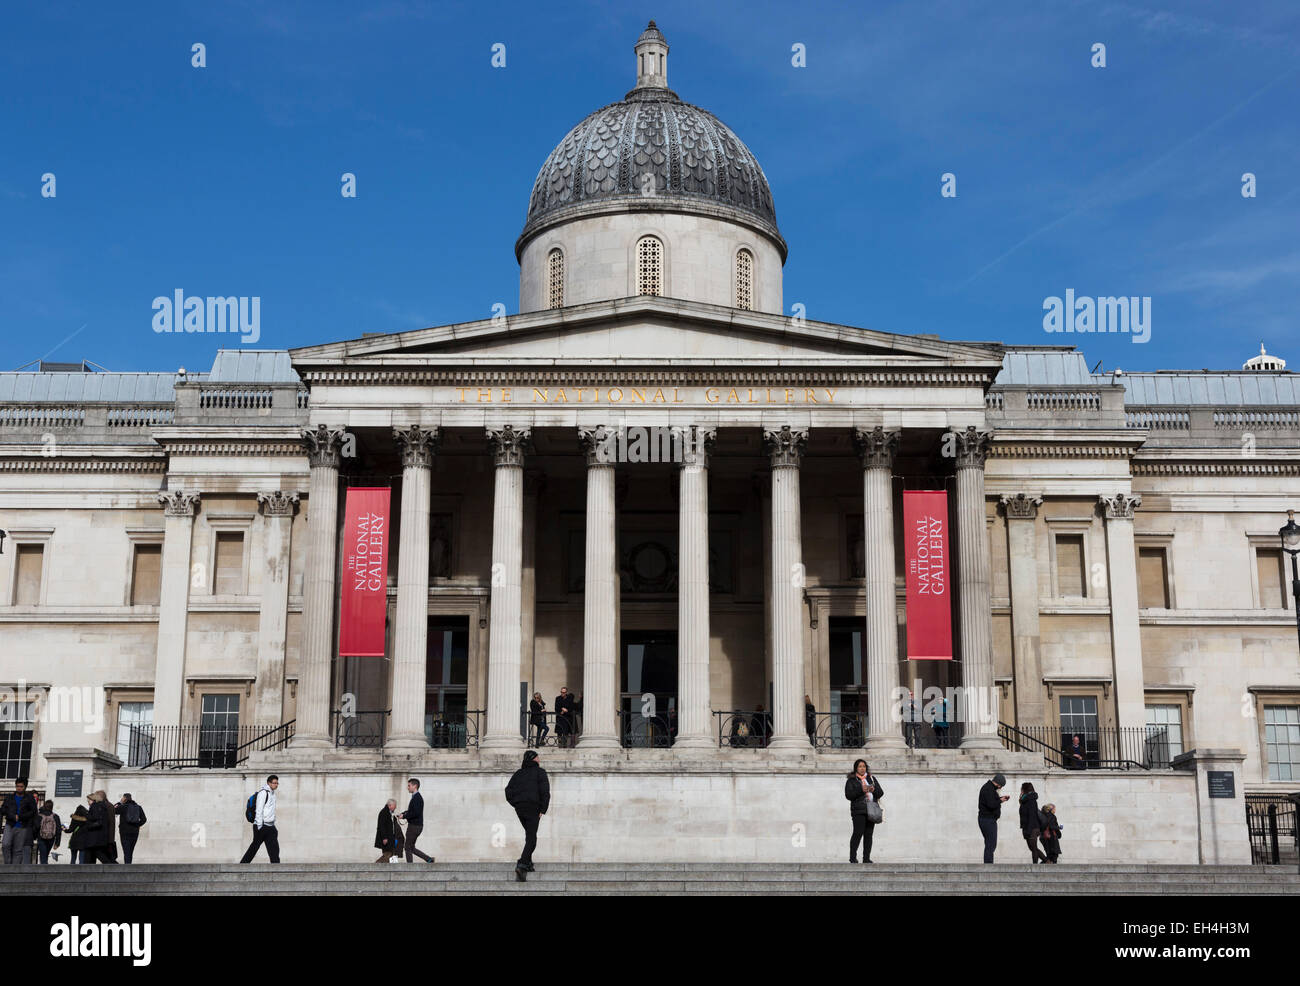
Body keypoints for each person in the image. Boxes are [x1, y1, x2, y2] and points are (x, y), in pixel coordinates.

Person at [504, 749, 550, 882]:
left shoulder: (518, 774)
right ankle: (522, 863)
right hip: (533, 808)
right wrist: (543, 809)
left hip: (520, 809)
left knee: (529, 835)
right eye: (537, 757)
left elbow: (508, 791)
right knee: (532, 838)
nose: (539, 759)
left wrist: (516, 804)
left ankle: (528, 864)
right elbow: (545, 792)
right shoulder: (540, 773)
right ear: (534, 759)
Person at [844, 758, 884, 864]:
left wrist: (873, 790)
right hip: (859, 811)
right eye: (860, 766)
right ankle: (853, 857)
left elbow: (880, 793)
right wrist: (861, 790)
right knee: (858, 833)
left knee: (868, 834)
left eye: (864, 766)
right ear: (856, 768)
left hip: (871, 810)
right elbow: (849, 795)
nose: (862, 768)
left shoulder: (871, 778)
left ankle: (866, 858)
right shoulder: (851, 780)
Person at [239, 774, 280, 863]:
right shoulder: (263, 793)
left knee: (274, 849)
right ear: (269, 783)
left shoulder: (273, 794)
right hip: (261, 826)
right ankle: (243, 864)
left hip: (270, 826)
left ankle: (276, 867)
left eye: (277, 783)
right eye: (274, 783)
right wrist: (259, 826)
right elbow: (259, 810)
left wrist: (273, 823)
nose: (276, 785)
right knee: (254, 847)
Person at [1, 777, 38, 864]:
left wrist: (21, 816)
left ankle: (14, 869)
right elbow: (3, 809)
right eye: (17, 786)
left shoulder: (30, 798)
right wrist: (13, 816)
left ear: (25, 787)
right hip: (10, 824)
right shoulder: (9, 797)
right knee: (5, 844)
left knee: (18, 849)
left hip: (22, 826)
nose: (19, 788)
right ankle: (7, 865)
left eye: (21, 786)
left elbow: (33, 812)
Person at [398, 778, 435, 863]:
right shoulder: (415, 797)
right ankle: (429, 859)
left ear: (415, 786)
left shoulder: (417, 798)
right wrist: (403, 814)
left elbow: (415, 813)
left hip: (414, 827)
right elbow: (412, 811)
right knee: (411, 847)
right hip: (415, 826)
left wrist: (404, 816)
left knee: (407, 847)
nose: (408, 787)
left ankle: (410, 868)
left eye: (409, 785)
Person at [977, 772, 1009, 864]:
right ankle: (988, 865)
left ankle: (988, 863)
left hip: (987, 819)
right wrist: (1000, 800)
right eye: (1001, 786)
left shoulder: (989, 788)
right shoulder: (988, 789)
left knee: (990, 843)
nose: (1000, 788)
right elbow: (991, 804)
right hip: (987, 820)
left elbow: (991, 802)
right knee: (991, 844)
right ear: (998, 783)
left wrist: (1000, 799)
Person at [82, 791, 118, 864]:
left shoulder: (98, 806)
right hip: (103, 836)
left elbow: (98, 820)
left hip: (97, 836)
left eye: (89, 800)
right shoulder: (107, 805)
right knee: (95, 854)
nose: (88, 802)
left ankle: (113, 866)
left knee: (99, 854)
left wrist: (87, 822)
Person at [1018, 782, 1048, 863]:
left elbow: (1032, 816)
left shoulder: (1031, 800)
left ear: (1025, 789)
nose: (1020, 790)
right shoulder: (1025, 800)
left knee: (1034, 848)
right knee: (1032, 848)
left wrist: (1029, 830)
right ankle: (1047, 861)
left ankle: (1035, 867)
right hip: (1028, 827)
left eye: (1022, 788)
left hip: (1032, 828)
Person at [114, 793, 147, 864]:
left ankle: (127, 868)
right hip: (135, 832)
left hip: (124, 832)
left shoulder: (123, 807)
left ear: (124, 798)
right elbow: (144, 819)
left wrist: (119, 803)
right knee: (130, 851)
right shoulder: (138, 807)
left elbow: (113, 810)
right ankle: (129, 866)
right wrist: (137, 825)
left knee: (126, 851)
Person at [374, 799, 404, 864]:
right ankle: (375, 865)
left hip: (390, 838)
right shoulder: (384, 812)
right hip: (386, 838)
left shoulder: (390, 813)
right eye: (395, 806)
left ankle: (378, 867)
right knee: (387, 854)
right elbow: (381, 826)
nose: (395, 807)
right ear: (390, 805)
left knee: (390, 855)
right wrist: (384, 837)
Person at [36, 800, 62, 864]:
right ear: (52, 807)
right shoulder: (55, 816)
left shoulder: (39, 816)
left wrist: (34, 837)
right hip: (51, 838)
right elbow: (58, 830)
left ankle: (43, 870)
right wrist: (57, 843)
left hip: (41, 837)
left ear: (44, 806)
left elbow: (36, 827)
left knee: (43, 855)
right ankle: (45, 868)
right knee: (46, 854)